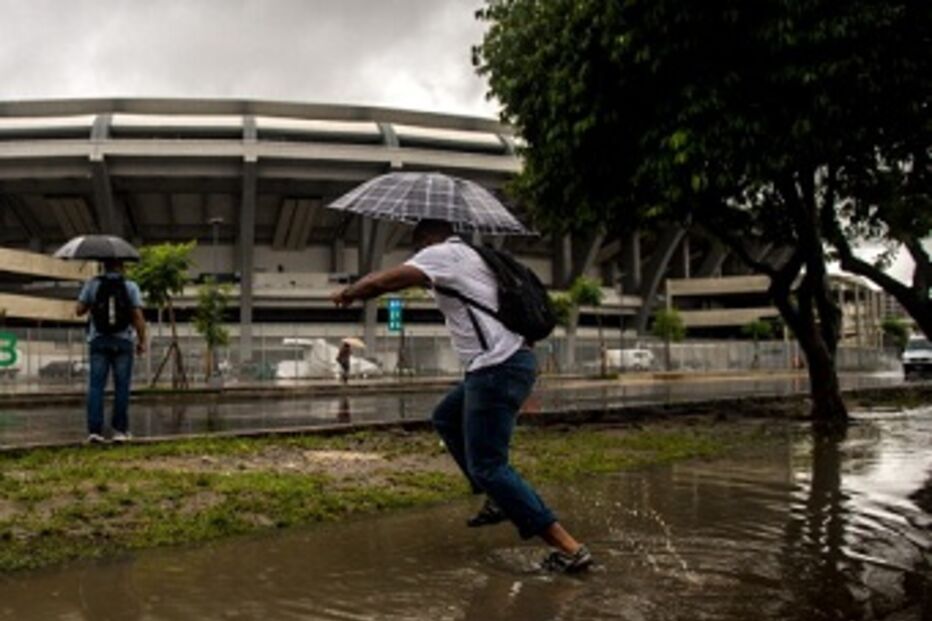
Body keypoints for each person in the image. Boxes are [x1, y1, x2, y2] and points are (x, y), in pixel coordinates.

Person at [331, 219, 592, 573]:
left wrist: (349, 292)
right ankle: (495, 497)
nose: (418, 258)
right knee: (446, 417)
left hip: (496, 368)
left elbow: (384, 281)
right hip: (506, 363)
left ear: (426, 242)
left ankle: (569, 548)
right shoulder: (476, 258)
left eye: (418, 250)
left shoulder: (444, 254)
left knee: (490, 465)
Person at [75, 259, 147, 444]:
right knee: (122, 387)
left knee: (96, 387)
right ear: (122, 267)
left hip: (98, 341)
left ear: (103, 267)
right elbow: (137, 316)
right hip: (123, 342)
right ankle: (120, 431)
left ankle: (95, 432)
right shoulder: (130, 286)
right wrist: (142, 340)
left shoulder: (92, 284)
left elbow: (78, 311)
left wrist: (94, 303)